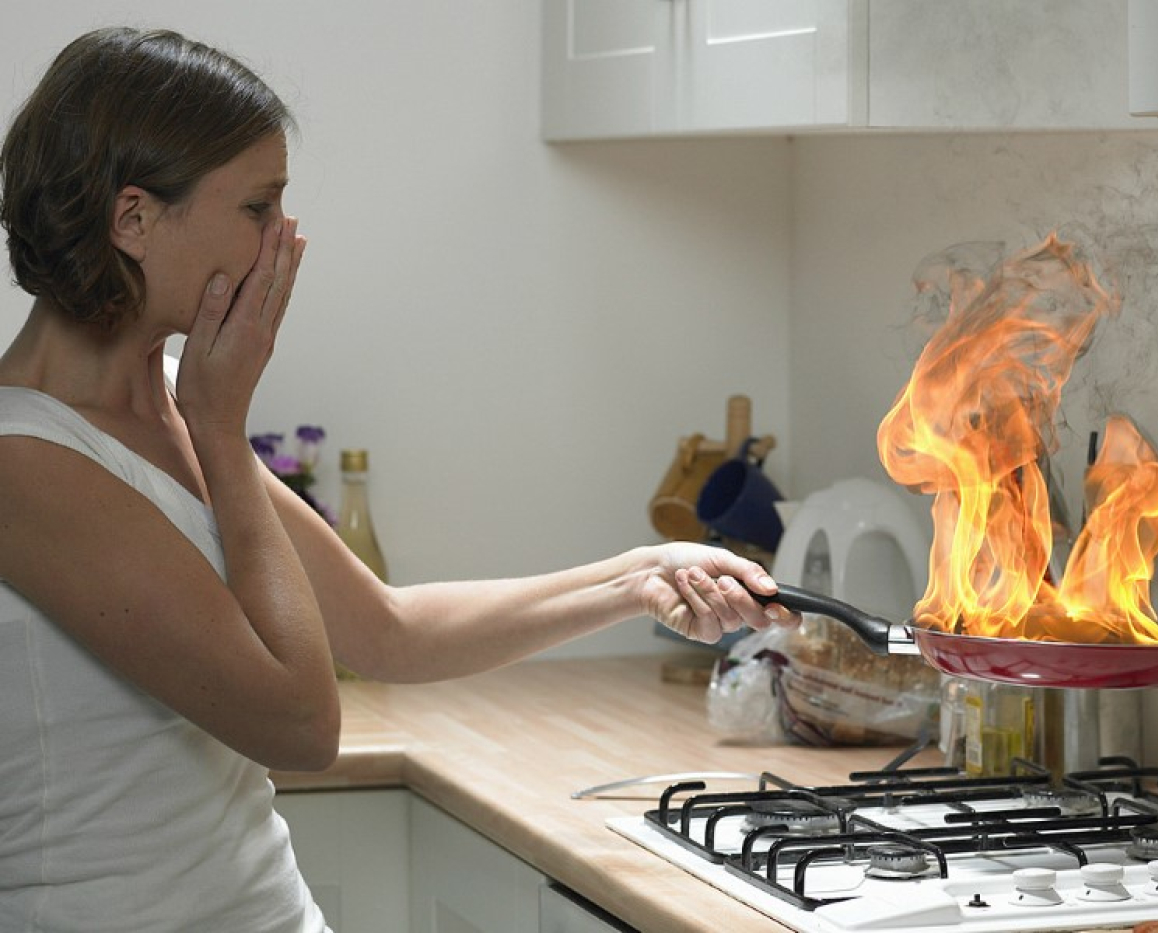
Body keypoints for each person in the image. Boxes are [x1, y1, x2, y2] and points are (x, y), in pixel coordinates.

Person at [0, 26, 798, 932]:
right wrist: (225, 434)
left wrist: (633, 579)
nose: (282, 241)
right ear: (133, 219)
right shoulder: (23, 460)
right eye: (258, 208)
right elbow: (301, 726)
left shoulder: (173, 400)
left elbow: (385, 630)